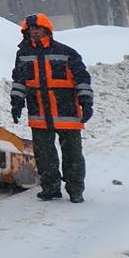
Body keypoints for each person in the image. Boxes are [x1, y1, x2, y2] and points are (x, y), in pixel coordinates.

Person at [10, 13, 94, 203]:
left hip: (67, 113)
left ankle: (75, 190)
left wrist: (86, 102)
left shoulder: (67, 52)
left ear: (47, 30)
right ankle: (50, 188)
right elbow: (19, 81)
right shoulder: (23, 54)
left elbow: (82, 78)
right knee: (44, 155)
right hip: (39, 113)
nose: (35, 33)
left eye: (38, 29)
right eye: (32, 30)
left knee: (72, 155)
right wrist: (16, 103)